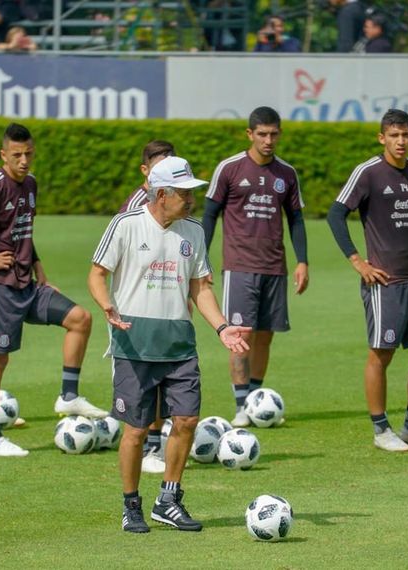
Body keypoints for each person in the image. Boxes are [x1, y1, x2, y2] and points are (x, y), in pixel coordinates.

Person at [88, 155, 251, 533]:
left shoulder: (193, 231)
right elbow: (97, 274)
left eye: (192, 192)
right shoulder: (126, 224)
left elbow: (201, 287)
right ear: (161, 194)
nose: (191, 199)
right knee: (136, 429)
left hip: (179, 344)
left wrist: (222, 327)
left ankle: (168, 500)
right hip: (134, 343)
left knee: (187, 420)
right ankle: (131, 505)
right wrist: (106, 304)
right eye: (183, 193)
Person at [0, 123, 107, 457]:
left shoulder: (31, 183)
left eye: (29, 154)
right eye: (17, 155)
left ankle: (68, 396)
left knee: (80, 319)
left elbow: (20, 230)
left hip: (27, 283)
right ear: (3, 155)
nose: (24, 160)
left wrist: (38, 267)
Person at [326, 108, 408, 452]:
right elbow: (336, 214)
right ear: (381, 138)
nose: (401, 141)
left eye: (406, 135)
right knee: (381, 354)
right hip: (386, 282)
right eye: (394, 135)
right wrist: (357, 261)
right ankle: (381, 429)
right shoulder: (367, 172)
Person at [202, 106, 309, 428]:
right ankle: (240, 406)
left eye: (274, 134)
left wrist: (302, 260)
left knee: (265, 337)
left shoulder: (287, 174)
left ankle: (255, 400)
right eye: (262, 134)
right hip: (239, 266)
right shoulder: (230, 168)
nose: (268, 140)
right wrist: (201, 260)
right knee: (240, 335)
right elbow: (209, 215)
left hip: (275, 267)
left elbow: (296, 219)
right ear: (250, 134)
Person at [117, 139, 177, 475]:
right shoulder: (134, 208)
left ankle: (154, 444)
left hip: (166, 307)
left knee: (163, 378)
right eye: (159, 166)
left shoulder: (176, 205)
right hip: (136, 312)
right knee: (142, 388)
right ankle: (144, 446)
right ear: (145, 170)